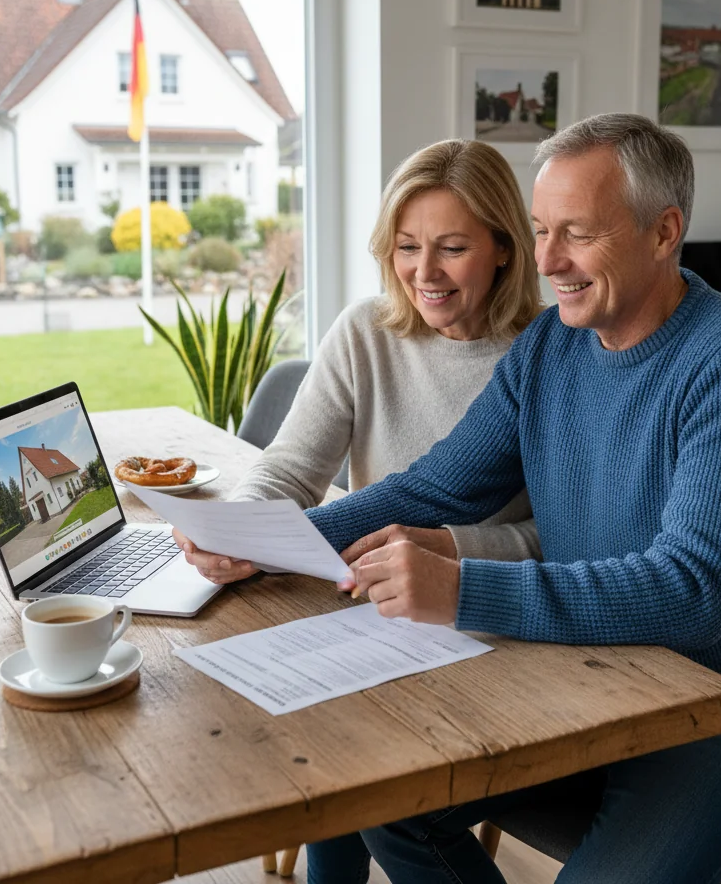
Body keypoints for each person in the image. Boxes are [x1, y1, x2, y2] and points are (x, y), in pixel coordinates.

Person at [301, 114, 721, 884]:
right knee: (388, 801)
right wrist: (276, 539)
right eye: (541, 229)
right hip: (589, 675)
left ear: (664, 231)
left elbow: (694, 593)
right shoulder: (550, 345)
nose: (547, 260)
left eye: (576, 233)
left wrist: (462, 589)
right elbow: (436, 485)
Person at [172, 137, 543, 884]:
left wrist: (448, 554)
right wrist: (242, 528)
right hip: (373, 613)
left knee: (358, 776)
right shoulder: (366, 331)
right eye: (407, 247)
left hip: (497, 626)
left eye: (452, 248)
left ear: (504, 248)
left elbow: (557, 535)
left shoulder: (547, 353)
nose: (423, 273)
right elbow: (290, 468)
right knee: (313, 751)